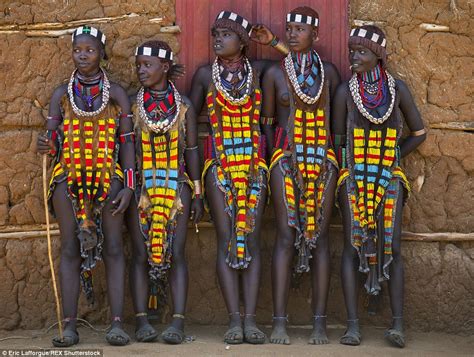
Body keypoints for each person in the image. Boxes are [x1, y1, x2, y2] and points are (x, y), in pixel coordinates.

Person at [36, 26, 135, 347]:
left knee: (115, 247)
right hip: (69, 178)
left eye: (89, 50)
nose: (82, 55)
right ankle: (68, 326)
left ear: (102, 54)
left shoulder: (117, 94)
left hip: (109, 177)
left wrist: (129, 187)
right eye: (77, 49)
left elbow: (128, 145)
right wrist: (46, 144)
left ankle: (118, 324)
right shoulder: (61, 95)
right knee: (69, 248)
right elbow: (52, 141)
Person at [332, 25, 426, 348]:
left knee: (394, 247)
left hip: (389, 178)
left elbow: (419, 132)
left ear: (378, 56)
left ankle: (398, 326)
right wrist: (356, 167)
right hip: (354, 180)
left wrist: (393, 155)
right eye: (352, 52)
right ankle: (352, 326)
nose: (354, 57)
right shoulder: (346, 93)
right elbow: (338, 141)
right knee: (351, 246)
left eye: (361, 52)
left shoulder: (397, 90)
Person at [252, 6, 341, 345]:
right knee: (287, 235)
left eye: (298, 29)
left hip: (323, 160)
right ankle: (278, 322)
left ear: (315, 35)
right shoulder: (276, 75)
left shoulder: (329, 74)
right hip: (286, 158)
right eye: (287, 28)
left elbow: (336, 126)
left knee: (317, 234)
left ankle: (319, 323)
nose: (291, 34)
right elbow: (268, 122)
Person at [189, 11, 272, 344]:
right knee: (227, 241)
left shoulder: (262, 72)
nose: (218, 39)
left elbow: (298, 67)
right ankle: (233, 320)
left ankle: (251, 320)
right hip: (218, 166)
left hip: (254, 167)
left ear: (243, 41)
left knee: (250, 239)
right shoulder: (204, 76)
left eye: (226, 34)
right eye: (215, 34)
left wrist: (274, 43)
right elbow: (188, 120)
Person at [125, 40, 203, 344]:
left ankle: (178, 322)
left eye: (147, 65)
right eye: (139, 65)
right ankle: (142, 321)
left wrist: (196, 192)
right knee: (141, 254)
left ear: (165, 67)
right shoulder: (133, 104)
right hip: (142, 189)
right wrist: (130, 188)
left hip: (177, 188)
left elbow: (193, 150)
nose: (141, 70)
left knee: (177, 253)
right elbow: (127, 149)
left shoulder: (183, 106)